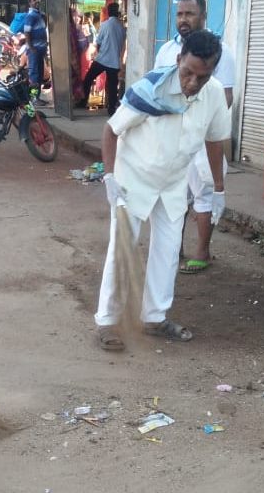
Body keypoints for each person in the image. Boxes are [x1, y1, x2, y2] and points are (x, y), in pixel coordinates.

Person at [94, 30, 231, 351]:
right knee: (122, 247)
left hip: (172, 183)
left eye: (203, 75)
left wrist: (218, 189)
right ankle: (106, 321)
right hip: (133, 179)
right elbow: (111, 130)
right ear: (178, 59)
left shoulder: (211, 96)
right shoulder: (151, 89)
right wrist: (110, 177)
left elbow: (214, 140)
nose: (193, 83)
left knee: (168, 251)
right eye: (188, 73)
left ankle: (154, 317)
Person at [153, 0, 237, 275]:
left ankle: (202, 251)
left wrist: (201, 122)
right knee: (172, 193)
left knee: (205, 192)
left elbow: (225, 95)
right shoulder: (167, 51)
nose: (183, 19)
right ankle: (172, 247)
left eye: (189, 14)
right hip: (170, 135)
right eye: (179, 14)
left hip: (202, 137)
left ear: (203, 16)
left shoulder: (220, 51)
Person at [78, 2, 126, 116]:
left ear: (108, 12)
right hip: (114, 62)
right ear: (117, 13)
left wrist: (99, 53)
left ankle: (83, 102)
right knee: (113, 87)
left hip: (102, 59)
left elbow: (98, 43)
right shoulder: (122, 27)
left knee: (88, 79)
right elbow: (122, 45)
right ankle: (111, 110)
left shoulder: (105, 24)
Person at [22, 0, 48, 91]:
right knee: (34, 75)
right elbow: (27, 32)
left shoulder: (39, 14)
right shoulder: (30, 16)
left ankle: (37, 97)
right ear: (30, 2)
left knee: (40, 75)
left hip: (40, 50)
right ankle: (34, 98)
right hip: (34, 50)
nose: (37, 1)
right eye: (34, 0)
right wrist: (31, 48)